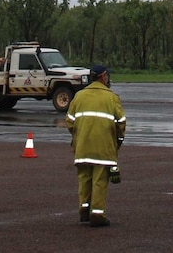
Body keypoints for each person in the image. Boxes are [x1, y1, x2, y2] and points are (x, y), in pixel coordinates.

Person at [66, 64, 127, 228]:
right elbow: (121, 123)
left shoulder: (79, 96)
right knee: (100, 181)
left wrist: (78, 138)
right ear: (103, 77)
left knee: (84, 179)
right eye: (107, 76)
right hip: (103, 149)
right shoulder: (112, 97)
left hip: (82, 148)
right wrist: (118, 141)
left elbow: (70, 121)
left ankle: (83, 211)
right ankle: (97, 214)